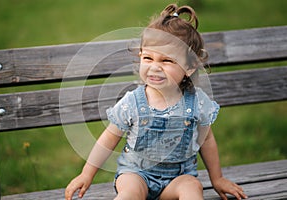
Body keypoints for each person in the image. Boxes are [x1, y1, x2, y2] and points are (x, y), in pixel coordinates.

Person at [65, 3, 248, 200]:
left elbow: (207, 140)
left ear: (190, 66)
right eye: (148, 58)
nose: (155, 67)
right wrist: (87, 173)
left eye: (167, 61)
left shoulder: (197, 102)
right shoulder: (132, 102)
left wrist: (217, 178)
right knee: (130, 193)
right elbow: (108, 138)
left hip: (178, 177)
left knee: (192, 187)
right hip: (136, 174)